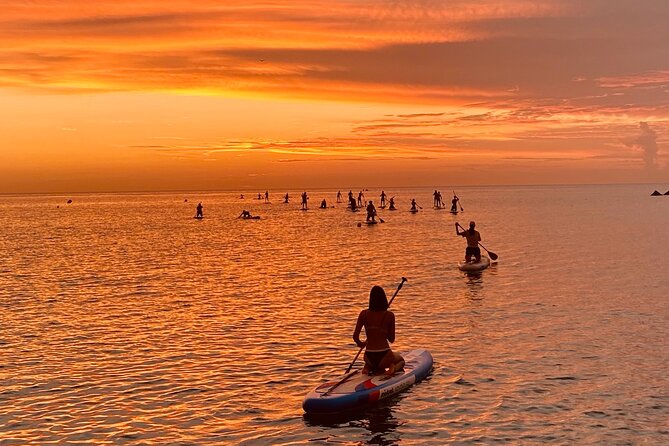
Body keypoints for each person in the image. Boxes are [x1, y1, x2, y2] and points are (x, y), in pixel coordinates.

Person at [353, 286, 405, 376]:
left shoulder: (363, 314)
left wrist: (361, 344)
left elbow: (355, 337)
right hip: (384, 355)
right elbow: (391, 339)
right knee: (401, 361)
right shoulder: (389, 315)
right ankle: (392, 368)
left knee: (372, 363)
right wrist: (383, 331)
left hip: (368, 356)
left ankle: (367, 367)